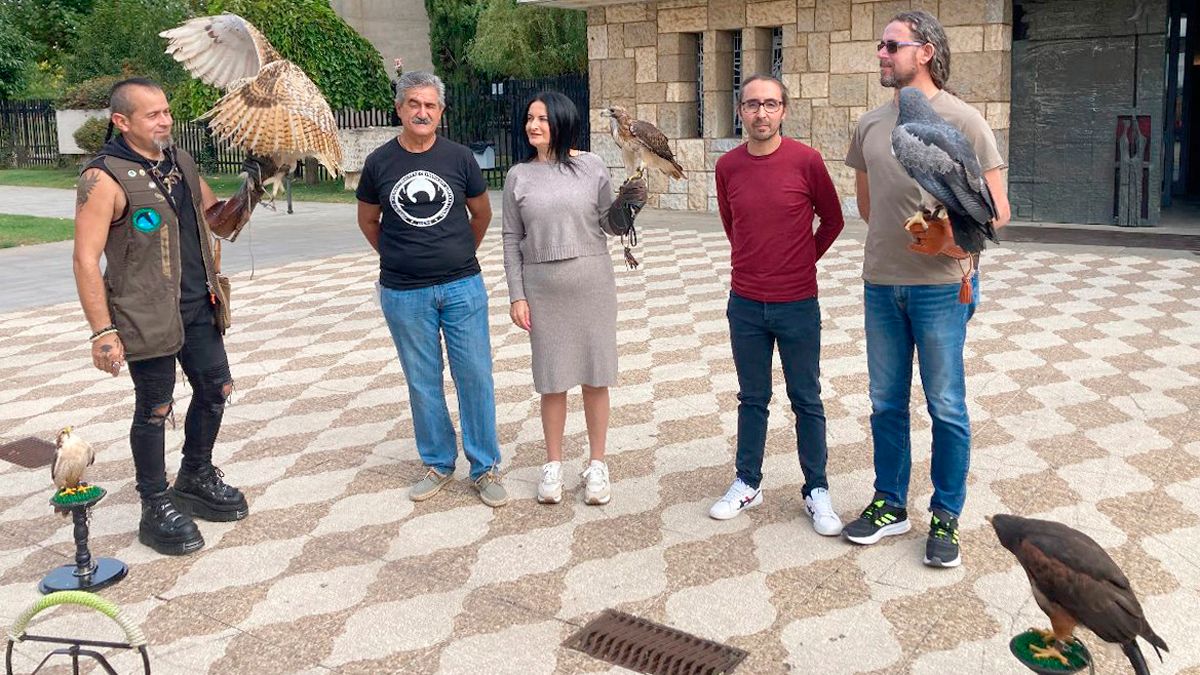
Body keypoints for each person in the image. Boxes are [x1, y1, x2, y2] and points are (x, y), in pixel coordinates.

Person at [842, 10, 1011, 567]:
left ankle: (946, 515)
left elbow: (997, 212)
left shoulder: (964, 121)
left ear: (925, 52)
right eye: (880, 45)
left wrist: (951, 246)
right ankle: (890, 504)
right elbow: (868, 208)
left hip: (941, 288)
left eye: (892, 45)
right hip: (881, 283)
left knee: (946, 406)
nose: (882, 54)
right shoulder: (869, 124)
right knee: (885, 403)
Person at [73, 77, 267, 555]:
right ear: (122, 121)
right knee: (155, 408)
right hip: (144, 313)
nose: (166, 120)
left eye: (166, 111)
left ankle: (195, 476)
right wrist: (103, 331)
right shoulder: (104, 177)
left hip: (199, 302)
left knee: (216, 391)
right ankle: (154, 504)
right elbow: (84, 257)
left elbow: (219, 220)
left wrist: (257, 183)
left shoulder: (179, 160)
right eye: (153, 114)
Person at [356, 71, 508, 507]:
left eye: (430, 105)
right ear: (400, 109)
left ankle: (486, 466)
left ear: (441, 111)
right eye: (413, 104)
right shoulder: (379, 163)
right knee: (423, 381)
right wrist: (398, 254)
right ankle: (439, 462)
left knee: (475, 375)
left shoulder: (460, 159)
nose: (422, 112)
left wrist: (456, 252)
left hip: (463, 286)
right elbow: (368, 220)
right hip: (403, 293)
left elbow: (481, 215)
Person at [710, 74, 846, 536]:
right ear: (740, 111)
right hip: (745, 302)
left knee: (806, 398)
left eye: (770, 104)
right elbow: (734, 225)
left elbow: (833, 218)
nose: (761, 113)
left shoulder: (806, 161)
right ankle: (748, 481)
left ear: (783, 110)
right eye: (752, 105)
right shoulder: (727, 166)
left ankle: (817, 489)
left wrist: (801, 258)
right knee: (752, 398)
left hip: (797, 303)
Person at [501, 92, 646, 505]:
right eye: (529, 118)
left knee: (596, 376)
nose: (533, 126)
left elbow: (610, 224)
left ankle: (597, 464)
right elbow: (512, 238)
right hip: (542, 287)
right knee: (552, 379)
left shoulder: (592, 166)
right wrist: (517, 295)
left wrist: (626, 208)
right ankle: (553, 465)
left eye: (542, 119)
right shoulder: (518, 176)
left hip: (592, 282)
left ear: (562, 121)